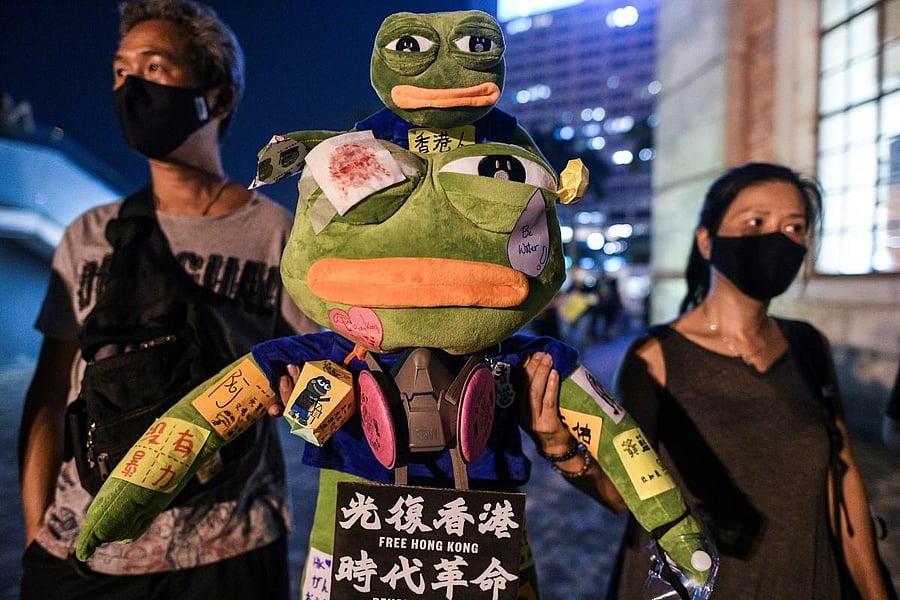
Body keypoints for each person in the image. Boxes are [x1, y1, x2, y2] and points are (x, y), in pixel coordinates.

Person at [17, 1, 315, 598]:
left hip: (231, 551)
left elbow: (324, 369)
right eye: (120, 71)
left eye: (154, 68)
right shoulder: (88, 234)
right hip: (80, 556)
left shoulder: (278, 234)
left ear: (218, 97)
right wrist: (36, 535)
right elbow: (48, 397)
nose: (130, 87)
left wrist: (299, 394)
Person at [610, 162, 894, 599]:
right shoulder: (654, 357)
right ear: (706, 240)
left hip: (805, 581)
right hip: (700, 588)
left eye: (794, 227)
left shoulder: (808, 345)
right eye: (756, 222)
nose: (778, 238)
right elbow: (619, 490)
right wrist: (563, 450)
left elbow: (842, 480)